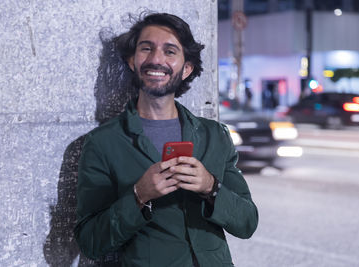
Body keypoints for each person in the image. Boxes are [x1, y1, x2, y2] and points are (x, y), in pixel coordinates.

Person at [74, 12, 258, 267]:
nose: (156, 59)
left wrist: (211, 187)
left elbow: (247, 223)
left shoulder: (215, 135)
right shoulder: (103, 143)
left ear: (187, 68)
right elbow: (90, 242)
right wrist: (139, 196)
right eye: (146, 48)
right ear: (131, 61)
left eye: (170, 51)